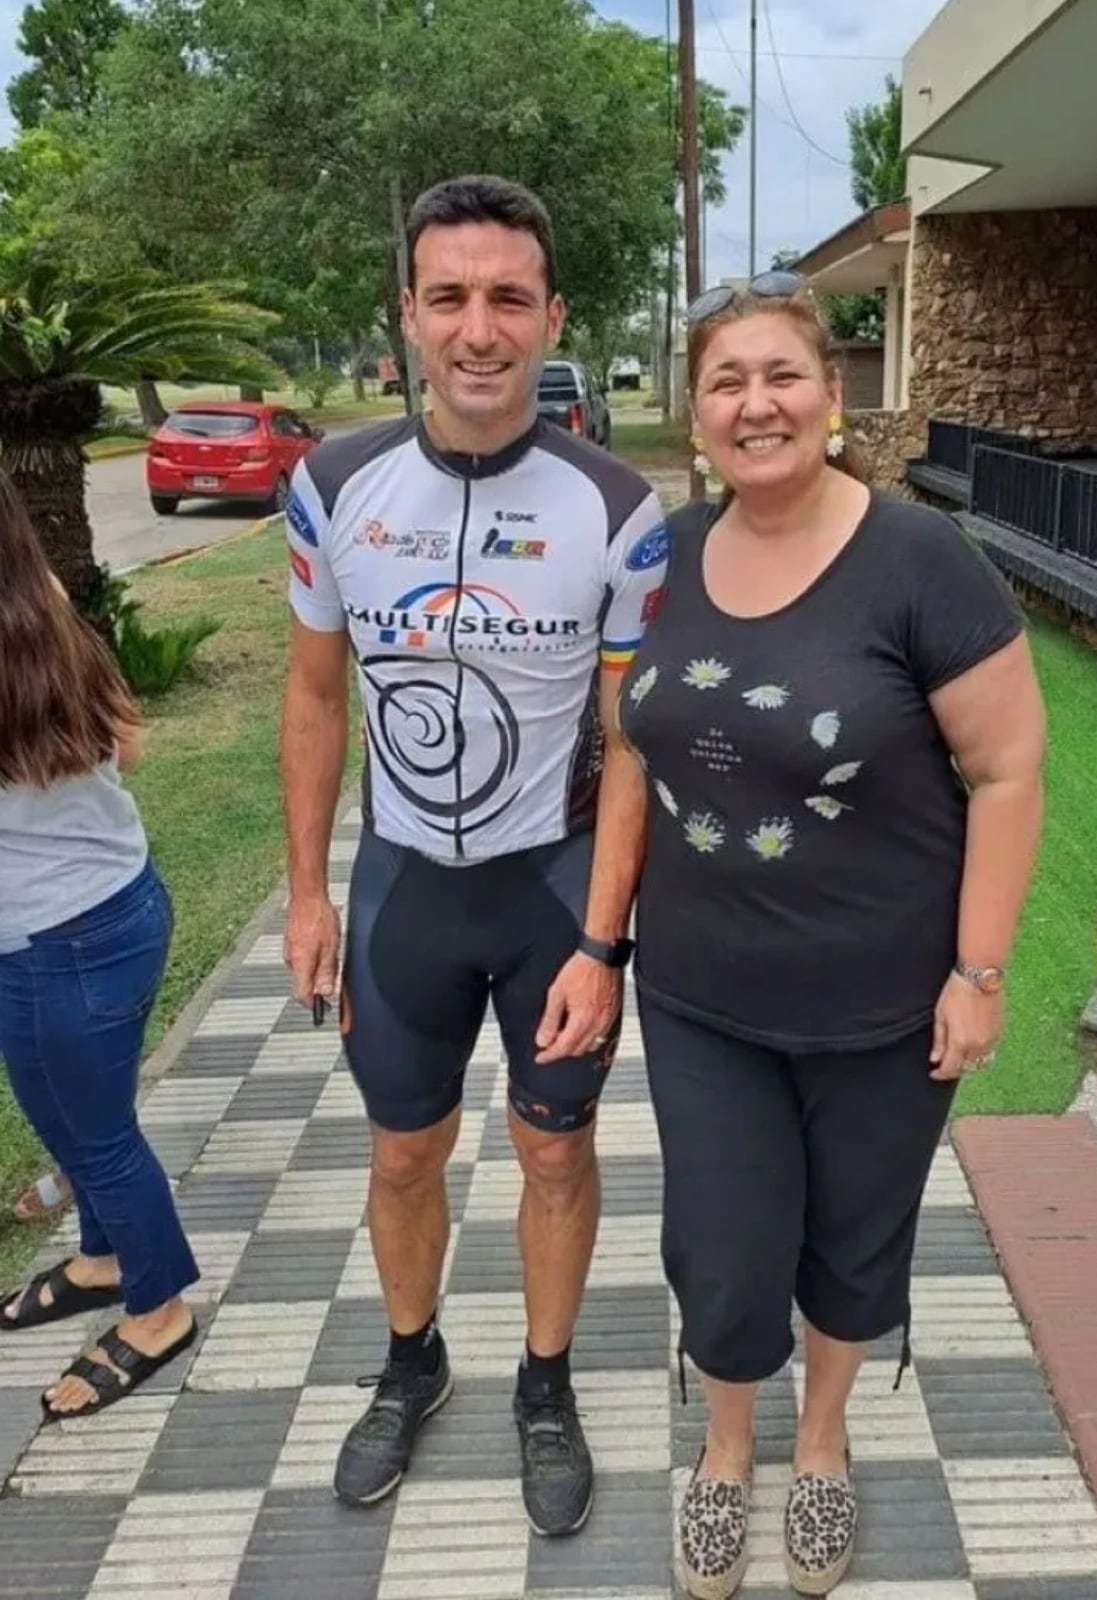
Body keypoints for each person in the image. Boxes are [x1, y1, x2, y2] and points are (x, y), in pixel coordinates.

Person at [616, 273, 1046, 1598]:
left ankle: (820, 1445)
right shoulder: (665, 557)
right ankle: (727, 1450)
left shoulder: (918, 560)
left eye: (781, 375)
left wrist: (979, 973)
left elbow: (1012, 770)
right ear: (698, 412)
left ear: (833, 393)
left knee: (856, 1244)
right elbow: (628, 748)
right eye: (728, 381)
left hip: (882, 1004)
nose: (758, 404)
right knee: (726, 1248)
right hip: (700, 995)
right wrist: (595, 942)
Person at [280, 175, 666, 1530]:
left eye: (509, 297)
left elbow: (634, 741)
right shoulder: (331, 486)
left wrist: (606, 939)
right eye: (450, 296)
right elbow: (316, 693)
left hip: (550, 889)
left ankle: (544, 1381)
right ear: (407, 317)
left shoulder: (618, 508)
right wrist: (306, 891)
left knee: (555, 1152)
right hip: (401, 896)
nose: (480, 327)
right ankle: (411, 1362)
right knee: (401, 1155)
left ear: (552, 315)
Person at [0, 470, 199, 1418]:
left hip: (57, 944)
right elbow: (131, 747)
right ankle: (100, 1259)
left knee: (99, 1138)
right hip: (120, 910)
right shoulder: (39, 613)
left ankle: (156, 1309)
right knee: (79, 1121)